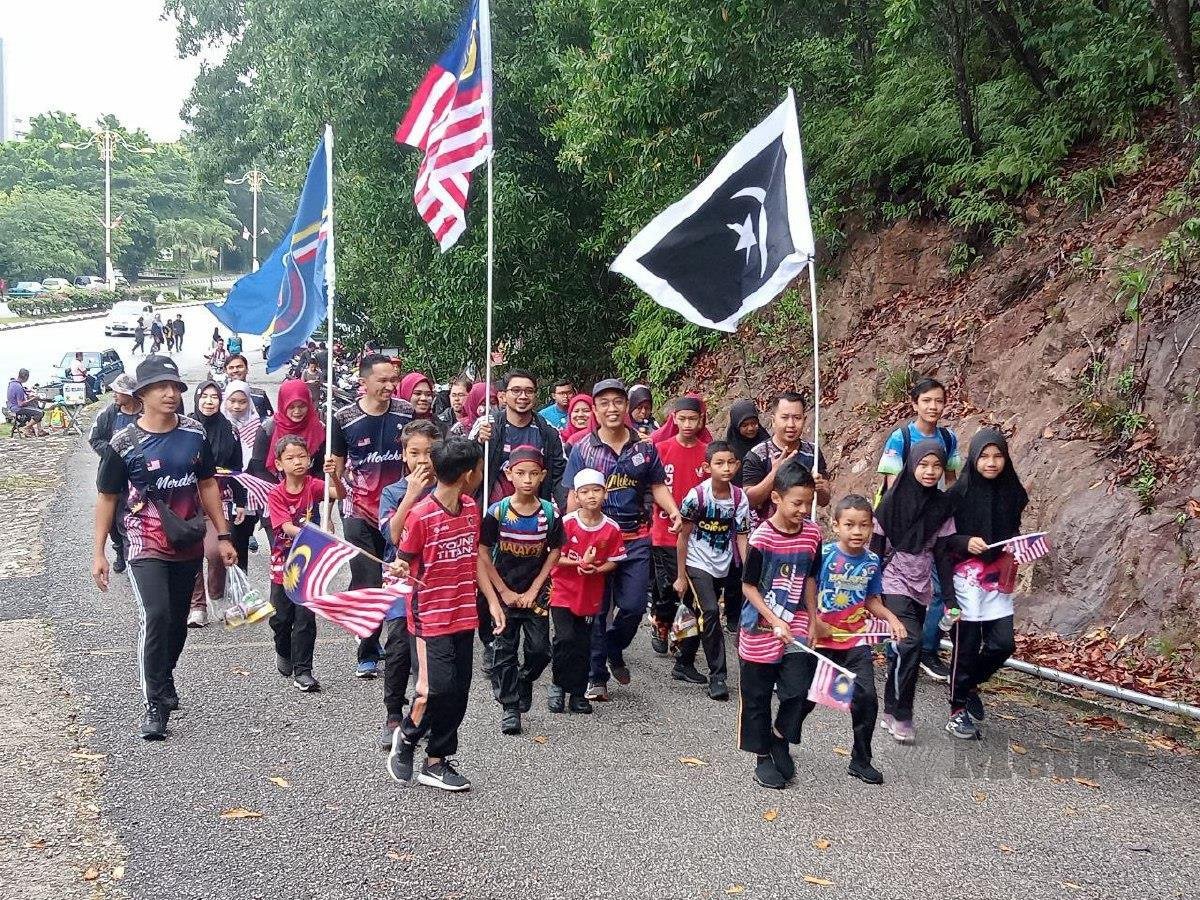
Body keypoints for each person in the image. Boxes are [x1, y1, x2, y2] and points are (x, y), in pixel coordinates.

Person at [92, 355, 238, 740]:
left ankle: (164, 673)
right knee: (155, 615)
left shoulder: (194, 434)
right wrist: (99, 552)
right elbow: (107, 498)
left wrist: (223, 535)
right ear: (142, 395)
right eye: (162, 387)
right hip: (144, 542)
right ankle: (154, 704)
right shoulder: (123, 444)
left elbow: (207, 484)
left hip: (187, 539)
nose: (171, 394)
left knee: (177, 622)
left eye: (175, 387)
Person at [386, 438, 501, 792]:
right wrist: (400, 569)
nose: (481, 475)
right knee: (435, 688)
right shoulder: (421, 515)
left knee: (458, 692)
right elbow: (402, 560)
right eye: (480, 470)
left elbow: (474, 559)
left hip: (464, 612)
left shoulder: (470, 509)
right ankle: (406, 736)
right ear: (468, 474)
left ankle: (436, 761)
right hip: (429, 615)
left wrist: (493, 601)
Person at [562, 378, 681, 701]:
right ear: (595, 410)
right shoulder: (582, 448)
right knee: (599, 611)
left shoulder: (644, 447)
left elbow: (657, 485)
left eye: (617, 402)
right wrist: (563, 538)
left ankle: (614, 648)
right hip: (595, 539)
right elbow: (573, 495)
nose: (611, 409)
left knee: (631, 607)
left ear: (626, 407)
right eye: (604, 404)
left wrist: (672, 511)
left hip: (635, 536)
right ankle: (596, 676)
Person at [800, 494, 906, 785]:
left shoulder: (872, 561)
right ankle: (782, 736)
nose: (857, 531)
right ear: (836, 526)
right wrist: (813, 620)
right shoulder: (824, 555)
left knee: (866, 698)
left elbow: (871, 600)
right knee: (805, 698)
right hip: (821, 641)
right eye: (849, 524)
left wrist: (891, 618)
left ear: (872, 527)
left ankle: (861, 760)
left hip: (855, 640)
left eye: (864, 525)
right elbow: (806, 588)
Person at [737, 459, 822, 790]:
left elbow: (811, 577)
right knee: (757, 696)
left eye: (808, 503)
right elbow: (748, 586)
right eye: (797, 503)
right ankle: (762, 757)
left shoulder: (813, 533)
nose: (803, 509)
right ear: (776, 498)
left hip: (797, 621)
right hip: (760, 625)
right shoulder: (761, 538)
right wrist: (772, 620)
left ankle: (780, 737)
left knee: (800, 689)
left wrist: (814, 618)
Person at [330, 354, 414, 677]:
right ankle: (366, 650)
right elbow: (335, 477)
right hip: (358, 510)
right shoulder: (343, 417)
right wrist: (333, 485)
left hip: (396, 510)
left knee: (395, 577)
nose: (391, 386)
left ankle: (395, 647)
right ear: (363, 383)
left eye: (394, 380)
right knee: (368, 579)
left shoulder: (405, 412)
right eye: (383, 381)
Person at [876, 377, 963, 683]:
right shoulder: (901, 437)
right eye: (926, 401)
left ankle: (926, 648)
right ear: (915, 404)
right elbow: (892, 486)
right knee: (892, 584)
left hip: (934, 520)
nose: (933, 407)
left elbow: (952, 480)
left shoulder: (949, 438)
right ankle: (896, 651)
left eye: (939, 400)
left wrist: (951, 514)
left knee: (937, 587)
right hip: (900, 524)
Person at [942, 428, 1027, 740]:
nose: (991, 463)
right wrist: (966, 542)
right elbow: (943, 542)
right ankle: (956, 709)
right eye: (985, 456)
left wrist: (1020, 547)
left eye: (998, 456)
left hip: (997, 580)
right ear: (974, 458)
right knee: (965, 646)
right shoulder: (957, 494)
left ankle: (969, 683)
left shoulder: (1014, 492)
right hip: (964, 580)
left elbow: (1012, 532)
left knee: (1002, 644)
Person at [870, 441, 957, 745]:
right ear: (912, 465)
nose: (930, 471)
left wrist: (949, 597)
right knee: (911, 643)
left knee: (903, 650)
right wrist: (872, 591)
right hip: (893, 579)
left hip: (922, 584)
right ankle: (903, 714)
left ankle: (891, 708)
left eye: (936, 465)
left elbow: (944, 555)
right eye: (924, 465)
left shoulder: (944, 506)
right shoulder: (891, 501)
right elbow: (876, 549)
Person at [477, 446, 563, 736]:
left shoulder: (550, 512)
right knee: (504, 652)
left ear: (542, 476)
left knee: (539, 651)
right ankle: (510, 708)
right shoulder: (497, 512)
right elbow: (483, 553)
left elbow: (555, 551)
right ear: (509, 474)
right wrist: (503, 592)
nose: (527, 479)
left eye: (533, 474)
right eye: (521, 473)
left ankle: (526, 679)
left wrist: (535, 589)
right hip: (505, 592)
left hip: (536, 594)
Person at [377, 420, 441, 749]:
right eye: (414, 453)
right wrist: (412, 494)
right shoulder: (392, 492)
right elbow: (392, 534)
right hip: (401, 579)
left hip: (434, 581)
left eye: (429, 453)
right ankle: (392, 713)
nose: (422, 460)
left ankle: (420, 715)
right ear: (403, 455)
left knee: (426, 655)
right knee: (399, 646)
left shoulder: (447, 489)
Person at [672, 440, 750, 700]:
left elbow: (741, 535)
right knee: (711, 611)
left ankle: (683, 662)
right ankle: (718, 676)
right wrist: (681, 575)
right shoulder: (697, 496)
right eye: (719, 463)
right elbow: (683, 537)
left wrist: (747, 573)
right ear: (707, 467)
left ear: (737, 465)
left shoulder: (739, 498)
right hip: (697, 561)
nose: (726, 468)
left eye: (730, 462)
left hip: (723, 562)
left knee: (699, 613)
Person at [266, 436, 344, 693]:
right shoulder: (277, 494)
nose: (297, 462)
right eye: (290, 458)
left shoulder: (314, 485)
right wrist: (308, 532)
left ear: (310, 459)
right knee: (280, 617)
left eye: (302, 456)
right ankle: (283, 650)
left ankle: (304, 670)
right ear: (279, 464)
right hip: (284, 562)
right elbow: (285, 526)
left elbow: (339, 494)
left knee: (305, 617)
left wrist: (334, 476)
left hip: (310, 560)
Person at [547, 469, 625, 715]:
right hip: (562, 591)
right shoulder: (565, 523)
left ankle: (578, 693)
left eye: (596, 490)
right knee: (565, 638)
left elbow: (615, 559)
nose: (591, 496)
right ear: (576, 496)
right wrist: (579, 563)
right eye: (585, 492)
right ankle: (558, 685)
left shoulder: (611, 528)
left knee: (583, 643)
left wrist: (599, 568)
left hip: (591, 594)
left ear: (605, 493)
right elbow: (553, 557)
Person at [649, 396, 710, 657]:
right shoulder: (661, 448)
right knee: (667, 588)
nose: (687, 424)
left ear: (701, 421)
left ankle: (681, 639)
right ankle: (660, 622)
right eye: (681, 418)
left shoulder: (707, 451)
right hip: (664, 531)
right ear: (673, 418)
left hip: (696, 534)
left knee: (689, 591)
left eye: (692, 419)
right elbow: (651, 487)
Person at [187, 381, 247, 628]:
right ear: (197, 398)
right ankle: (196, 606)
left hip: (218, 501)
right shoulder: (184, 426)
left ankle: (217, 597)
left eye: (214, 397)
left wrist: (241, 502)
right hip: (185, 502)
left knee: (214, 551)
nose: (209, 401)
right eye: (205, 396)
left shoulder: (230, 430)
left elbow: (237, 470)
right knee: (190, 554)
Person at [475, 370, 566, 505]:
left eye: (529, 391)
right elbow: (468, 467)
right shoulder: (487, 425)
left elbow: (559, 474)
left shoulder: (548, 431)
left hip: (535, 509)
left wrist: (562, 508)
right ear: (504, 395)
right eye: (516, 390)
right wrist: (478, 443)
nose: (523, 396)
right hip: (494, 511)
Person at [742, 391, 830, 529]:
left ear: (804, 419)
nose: (791, 424)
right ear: (773, 420)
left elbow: (824, 501)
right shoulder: (757, 455)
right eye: (784, 417)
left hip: (803, 534)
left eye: (797, 418)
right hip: (766, 536)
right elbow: (749, 500)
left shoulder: (813, 452)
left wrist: (819, 487)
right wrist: (774, 473)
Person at [88, 373, 141, 573]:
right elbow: (95, 439)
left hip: (138, 477)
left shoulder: (146, 413)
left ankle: (134, 553)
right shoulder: (109, 414)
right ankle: (119, 549)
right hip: (114, 477)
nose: (114, 396)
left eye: (118, 392)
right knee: (112, 519)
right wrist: (114, 454)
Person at [721, 398, 765, 631]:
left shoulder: (766, 446)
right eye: (744, 424)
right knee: (735, 565)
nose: (750, 428)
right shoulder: (729, 449)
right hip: (733, 512)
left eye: (753, 423)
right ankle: (732, 612)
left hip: (761, 513)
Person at [249, 379, 326, 483]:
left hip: (310, 489)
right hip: (275, 489)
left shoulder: (318, 428)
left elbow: (322, 465)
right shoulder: (268, 429)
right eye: (291, 406)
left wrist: (309, 488)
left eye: (302, 406)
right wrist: (282, 491)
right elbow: (259, 467)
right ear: (283, 404)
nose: (297, 411)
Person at [221, 380, 261, 570]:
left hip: (250, 491)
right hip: (224, 491)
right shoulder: (220, 425)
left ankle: (241, 577)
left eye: (242, 401)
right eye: (232, 401)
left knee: (242, 536)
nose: (237, 406)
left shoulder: (259, 427)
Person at [222, 355, 273, 419]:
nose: (235, 370)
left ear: (247, 369)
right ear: (226, 371)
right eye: (231, 368)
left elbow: (268, 420)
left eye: (239, 367)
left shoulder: (259, 396)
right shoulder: (221, 396)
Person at [5, 369, 46, 437]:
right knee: (40, 413)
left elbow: (18, 394)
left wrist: (28, 394)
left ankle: (39, 430)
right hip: (17, 408)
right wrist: (34, 398)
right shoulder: (18, 387)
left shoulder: (13, 383)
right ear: (26, 377)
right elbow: (20, 404)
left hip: (11, 406)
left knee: (34, 405)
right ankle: (26, 428)